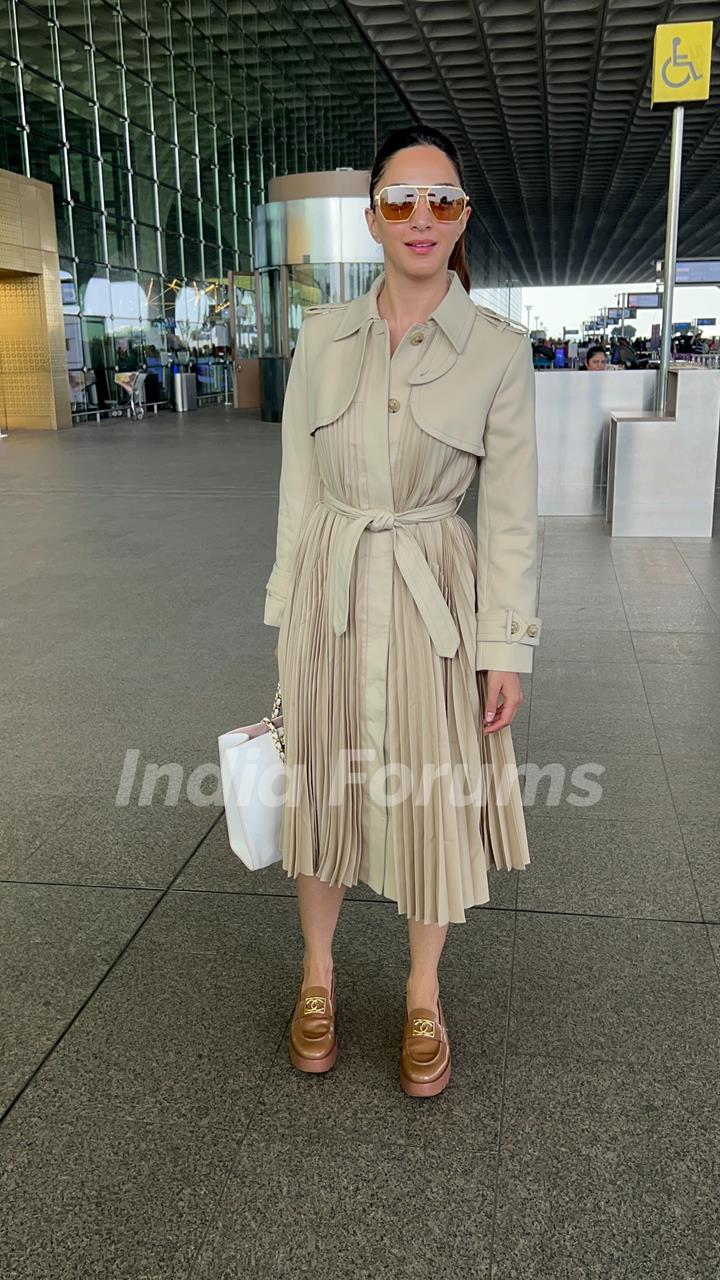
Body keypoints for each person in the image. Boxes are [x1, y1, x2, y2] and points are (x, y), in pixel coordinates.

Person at [264, 123, 541, 1098]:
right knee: (321, 791)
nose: (421, 217)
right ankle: (318, 971)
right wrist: (286, 609)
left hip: (436, 604)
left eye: (443, 200)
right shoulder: (322, 337)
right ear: (372, 214)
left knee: (429, 802)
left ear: (461, 215)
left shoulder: (498, 351)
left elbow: (508, 515)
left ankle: (423, 990)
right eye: (401, 199)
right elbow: (300, 480)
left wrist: (505, 645)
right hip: (330, 590)